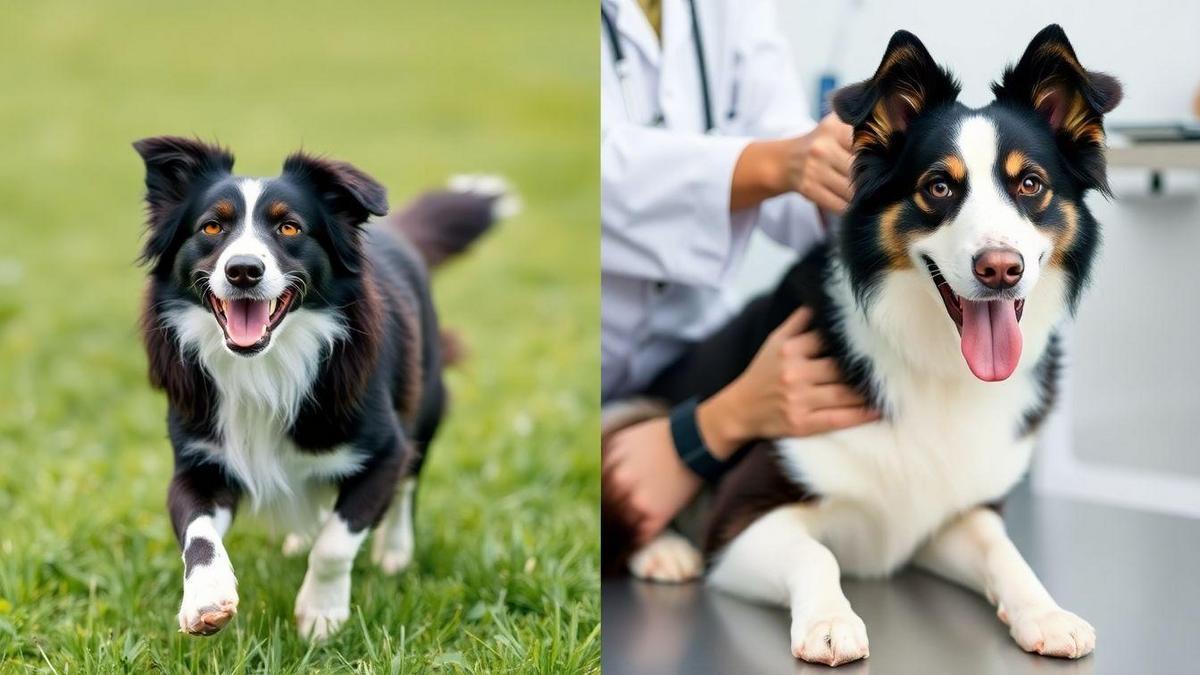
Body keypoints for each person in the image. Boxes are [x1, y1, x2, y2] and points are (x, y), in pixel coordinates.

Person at [600, 0, 879, 553]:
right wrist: (780, 163)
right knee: (620, 499)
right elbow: (601, 172)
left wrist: (850, 171)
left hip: (694, 356)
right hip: (605, 371)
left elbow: (783, 145)